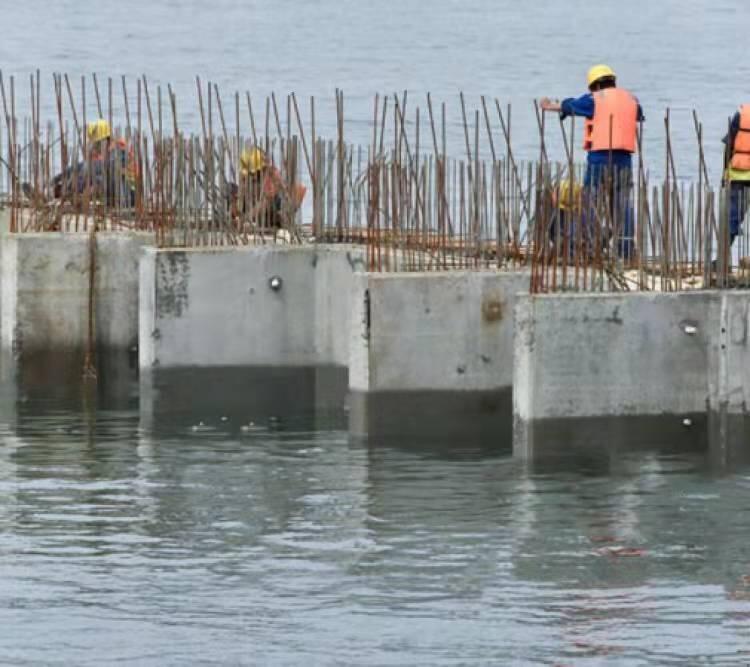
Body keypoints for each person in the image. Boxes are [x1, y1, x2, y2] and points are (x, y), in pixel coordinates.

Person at [540, 64, 644, 259]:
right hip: (624, 163)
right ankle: (626, 250)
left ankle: (575, 245)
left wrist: (548, 105)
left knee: (590, 204)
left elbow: (570, 106)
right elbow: (639, 115)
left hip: (600, 161)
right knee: (623, 207)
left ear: (595, 85)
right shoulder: (631, 100)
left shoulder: (595, 98)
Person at [46, 119, 138, 207]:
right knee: (85, 170)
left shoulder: (120, 151)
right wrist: (57, 179)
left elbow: (103, 166)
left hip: (129, 194)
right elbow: (80, 166)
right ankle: (63, 191)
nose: (95, 147)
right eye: (94, 144)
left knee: (95, 175)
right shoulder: (103, 154)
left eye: (97, 143)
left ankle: (70, 192)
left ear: (106, 140)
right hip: (113, 193)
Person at [234, 146, 306, 231]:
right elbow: (240, 197)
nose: (253, 176)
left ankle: (282, 219)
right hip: (253, 209)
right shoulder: (246, 177)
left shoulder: (271, 174)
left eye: (255, 173)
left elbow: (266, 202)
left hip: (270, 209)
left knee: (297, 190)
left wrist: (246, 218)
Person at [722, 105, 750, 248]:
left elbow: (728, 147)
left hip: (740, 174)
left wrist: (724, 173)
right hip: (741, 175)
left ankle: (723, 257)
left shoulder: (741, 115)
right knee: (734, 216)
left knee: (733, 217)